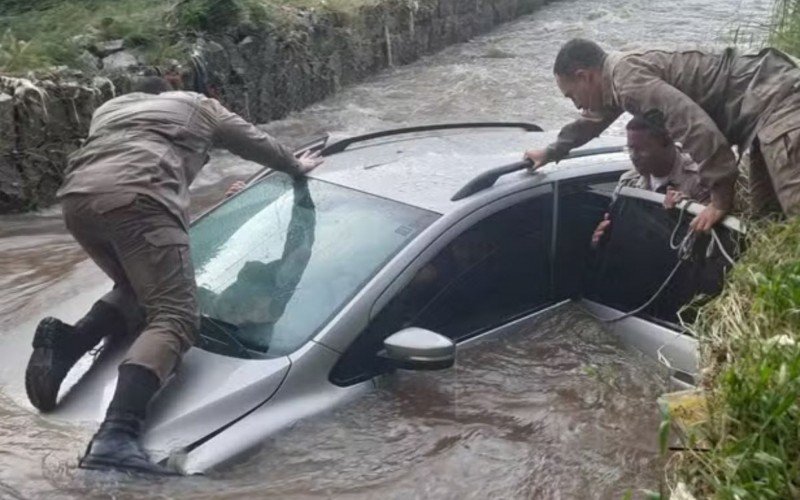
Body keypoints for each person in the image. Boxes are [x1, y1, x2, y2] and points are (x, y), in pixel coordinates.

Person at [23, 76, 323, 474]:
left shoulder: (111, 108)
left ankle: (69, 343)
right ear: (176, 89)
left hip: (77, 201)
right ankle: (116, 437)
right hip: (139, 198)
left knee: (135, 287)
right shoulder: (200, 105)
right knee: (176, 315)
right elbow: (251, 140)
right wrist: (294, 165)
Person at [525, 38, 800, 231]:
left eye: (572, 95)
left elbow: (697, 129)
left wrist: (719, 201)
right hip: (762, 111)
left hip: (779, 99)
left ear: (584, 76)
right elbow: (593, 120)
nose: (576, 105)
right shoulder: (618, 78)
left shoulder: (628, 82)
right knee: (771, 226)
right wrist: (551, 152)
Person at [591, 111, 710, 247]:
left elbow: (708, 245)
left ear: (666, 143)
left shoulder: (701, 180)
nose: (634, 156)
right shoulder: (628, 182)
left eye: (641, 149)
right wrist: (601, 241)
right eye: (630, 149)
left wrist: (685, 211)